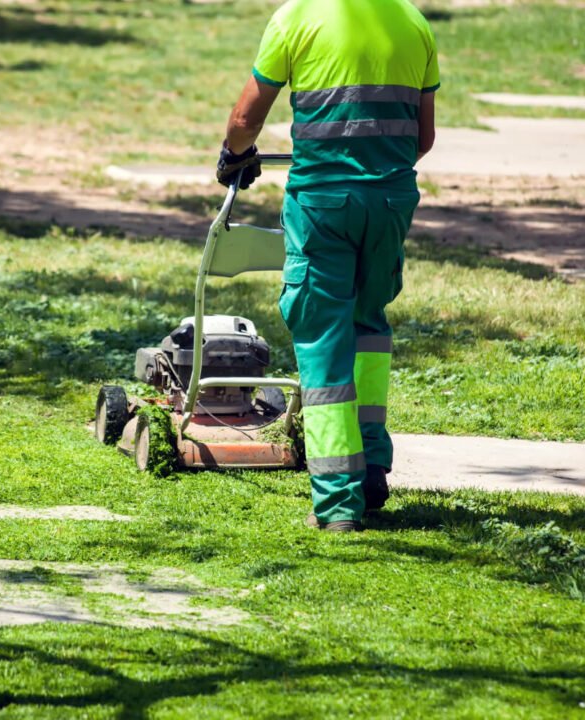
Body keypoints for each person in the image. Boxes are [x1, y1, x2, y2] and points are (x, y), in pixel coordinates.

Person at [216, 0, 439, 532]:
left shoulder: (296, 17)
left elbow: (247, 118)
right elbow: (423, 137)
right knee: (369, 328)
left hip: (323, 204)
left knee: (322, 339)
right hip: (390, 203)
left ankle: (339, 502)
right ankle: (371, 470)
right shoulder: (413, 22)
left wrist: (234, 154)